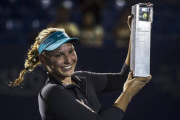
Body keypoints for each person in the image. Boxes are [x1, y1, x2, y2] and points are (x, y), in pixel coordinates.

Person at [9, 16, 151, 120]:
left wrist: (136, 35)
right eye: (59, 55)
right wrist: (127, 94)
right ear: (43, 60)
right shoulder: (51, 93)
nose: (68, 60)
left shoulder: (84, 78)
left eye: (71, 51)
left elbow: (123, 79)